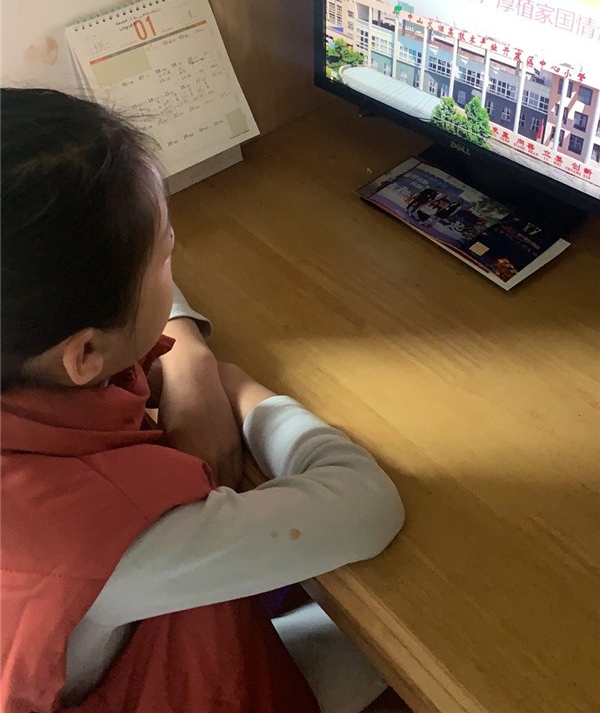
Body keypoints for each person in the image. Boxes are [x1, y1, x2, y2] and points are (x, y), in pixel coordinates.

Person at [1, 88, 405, 713]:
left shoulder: (29, 328)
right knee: (408, 649)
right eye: (166, 254)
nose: (175, 256)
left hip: (114, 637)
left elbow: (99, 271)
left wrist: (187, 356)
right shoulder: (103, 537)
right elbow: (367, 506)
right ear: (84, 355)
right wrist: (239, 387)